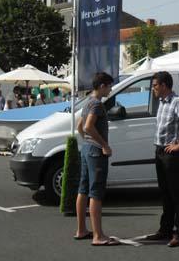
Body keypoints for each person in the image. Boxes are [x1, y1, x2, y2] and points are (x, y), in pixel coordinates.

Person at [145, 71, 179, 248]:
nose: (153, 89)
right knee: (165, 194)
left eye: (155, 85)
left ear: (164, 85)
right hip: (160, 152)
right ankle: (165, 230)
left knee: (177, 195)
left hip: (171, 155)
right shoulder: (161, 102)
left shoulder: (177, 102)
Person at [74, 72, 118, 246]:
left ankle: (81, 230)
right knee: (96, 192)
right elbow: (88, 126)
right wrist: (103, 145)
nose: (111, 89)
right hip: (95, 151)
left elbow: (80, 126)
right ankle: (98, 236)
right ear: (102, 86)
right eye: (109, 86)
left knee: (83, 189)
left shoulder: (87, 101)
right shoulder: (97, 104)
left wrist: (87, 140)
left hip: (86, 148)